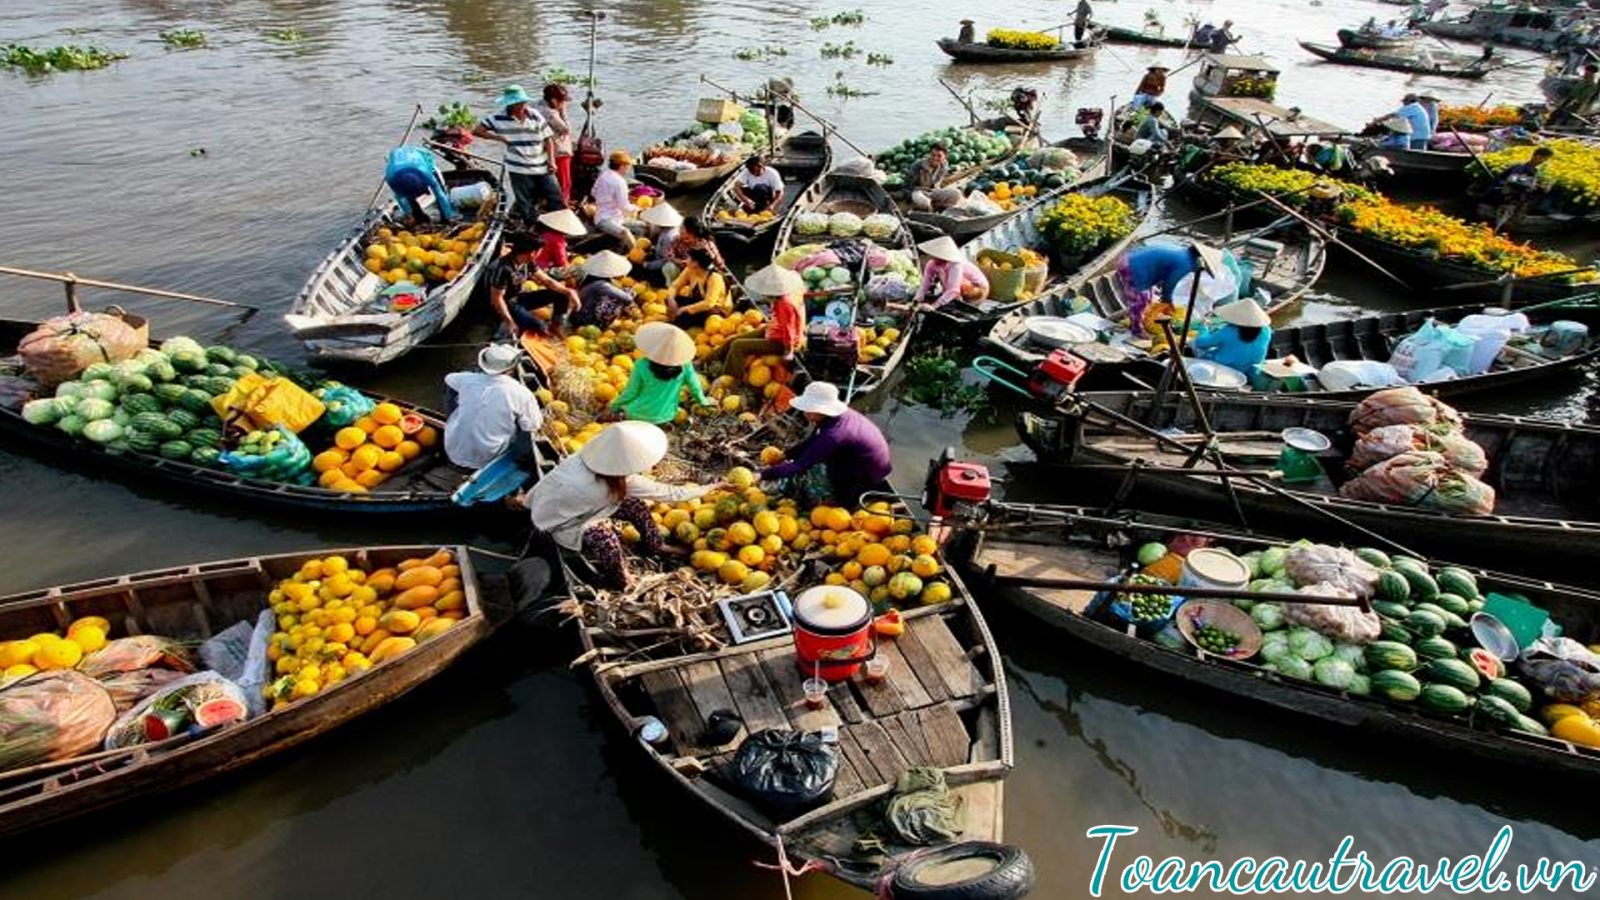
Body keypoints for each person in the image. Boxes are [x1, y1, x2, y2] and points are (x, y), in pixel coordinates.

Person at [520, 421, 724, 589]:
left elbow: (548, 482)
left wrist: (527, 501)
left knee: (634, 505)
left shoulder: (580, 458)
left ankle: (655, 544)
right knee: (606, 539)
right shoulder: (625, 482)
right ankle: (618, 579)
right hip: (562, 525)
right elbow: (672, 494)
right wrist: (714, 486)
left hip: (559, 510)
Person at [760, 381, 892, 507]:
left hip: (865, 475)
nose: (804, 413)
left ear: (821, 410)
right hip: (862, 462)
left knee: (810, 485)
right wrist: (786, 454)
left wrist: (762, 475)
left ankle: (839, 501)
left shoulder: (833, 435)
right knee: (810, 458)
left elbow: (799, 466)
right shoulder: (840, 416)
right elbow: (812, 442)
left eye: (808, 410)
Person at [443, 344, 542, 470]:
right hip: (488, 457)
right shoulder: (521, 393)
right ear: (511, 368)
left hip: (453, 448)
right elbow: (533, 426)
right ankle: (515, 461)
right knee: (524, 425)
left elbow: (449, 380)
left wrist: (451, 412)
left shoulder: (465, 379)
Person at [474, 84, 561, 221]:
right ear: (509, 104)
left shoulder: (535, 115)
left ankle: (559, 224)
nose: (521, 106)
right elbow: (477, 131)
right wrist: (499, 137)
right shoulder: (498, 118)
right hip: (519, 168)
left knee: (555, 196)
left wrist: (552, 161)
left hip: (541, 165)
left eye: (523, 102)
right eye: (517, 103)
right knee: (525, 202)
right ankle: (530, 226)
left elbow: (548, 139)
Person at [606, 323, 710, 425]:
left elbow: (630, 393)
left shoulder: (641, 364)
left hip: (637, 413)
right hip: (667, 415)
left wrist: (614, 406)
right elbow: (695, 387)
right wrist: (704, 402)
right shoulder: (685, 365)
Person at [486, 230, 582, 338]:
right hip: (507, 303)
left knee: (561, 294)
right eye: (540, 250)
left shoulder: (528, 262)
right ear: (533, 252)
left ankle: (555, 327)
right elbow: (496, 299)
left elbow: (547, 281)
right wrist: (509, 321)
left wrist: (568, 292)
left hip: (519, 298)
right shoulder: (504, 268)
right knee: (539, 327)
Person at [722, 264, 807, 380]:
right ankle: (705, 361)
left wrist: (789, 351)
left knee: (738, 346)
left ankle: (730, 381)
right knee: (733, 340)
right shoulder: (783, 297)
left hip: (781, 342)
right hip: (774, 330)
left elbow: (788, 329)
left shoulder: (784, 304)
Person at [1117, 241, 1225, 330]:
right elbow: (1170, 284)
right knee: (1140, 301)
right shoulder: (1185, 262)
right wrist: (1168, 301)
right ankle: (1136, 329)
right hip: (1132, 267)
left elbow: (1165, 269)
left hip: (1129, 257)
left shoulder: (1182, 251)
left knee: (1150, 294)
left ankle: (1140, 317)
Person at [1191, 298, 1274, 374]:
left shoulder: (1229, 330)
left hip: (1223, 368)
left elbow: (1201, 343)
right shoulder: (1267, 330)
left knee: (1195, 346)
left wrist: (1203, 327)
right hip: (1250, 371)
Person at [382, 146, 458, 228]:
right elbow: (400, 198)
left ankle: (446, 217)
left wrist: (449, 216)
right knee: (409, 199)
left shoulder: (426, 174)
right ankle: (420, 219)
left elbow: (440, 195)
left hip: (421, 157)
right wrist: (409, 215)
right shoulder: (391, 178)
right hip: (398, 161)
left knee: (441, 189)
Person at [913, 236, 988, 308]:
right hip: (957, 287)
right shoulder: (932, 264)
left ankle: (960, 302)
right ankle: (950, 299)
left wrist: (934, 306)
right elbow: (926, 282)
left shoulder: (955, 265)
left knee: (951, 289)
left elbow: (953, 290)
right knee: (942, 275)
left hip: (977, 290)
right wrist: (918, 297)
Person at [666, 247, 731, 326]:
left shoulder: (714, 278)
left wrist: (684, 309)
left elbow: (709, 303)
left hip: (715, 308)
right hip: (699, 300)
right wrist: (671, 299)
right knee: (669, 300)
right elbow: (675, 286)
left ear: (696, 263)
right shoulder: (690, 269)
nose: (686, 260)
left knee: (684, 317)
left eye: (688, 258)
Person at [571, 250, 636, 330]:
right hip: (587, 320)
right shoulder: (602, 285)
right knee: (629, 292)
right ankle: (605, 324)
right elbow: (628, 298)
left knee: (616, 295)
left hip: (579, 315)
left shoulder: (589, 278)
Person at [591, 150, 639, 252]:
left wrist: (606, 200)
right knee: (626, 232)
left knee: (639, 226)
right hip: (606, 220)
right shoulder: (620, 182)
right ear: (622, 166)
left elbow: (593, 192)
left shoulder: (604, 174)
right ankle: (637, 257)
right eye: (628, 166)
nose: (629, 169)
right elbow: (624, 207)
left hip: (602, 215)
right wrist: (638, 207)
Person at [535, 84, 575, 203]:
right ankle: (563, 205)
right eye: (562, 101)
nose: (564, 103)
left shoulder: (536, 107)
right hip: (558, 151)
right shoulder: (551, 113)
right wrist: (563, 111)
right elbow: (566, 129)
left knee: (547, 181)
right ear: (553, 100)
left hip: (541, 150)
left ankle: (549, 202)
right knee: (564, 182)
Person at [638, 202, 686, 285]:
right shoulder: (667, 230)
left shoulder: (668, 237)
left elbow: (666, 260)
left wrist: (647, 265)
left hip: (666, 266)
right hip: (660, 258)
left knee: (640, 272)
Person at [533, 208, 586, 272]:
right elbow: (561, 261)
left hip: (534, 263)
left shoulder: (544, 233)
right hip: (544, 268)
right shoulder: (559, 241)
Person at [906, 143, 950, 211]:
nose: (935, 158)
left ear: (945, 157)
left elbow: (938, 183)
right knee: (924, 202)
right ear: (929, 154)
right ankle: (931, 210)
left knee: (956, 194)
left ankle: (942, 207)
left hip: (933, 192)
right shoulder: (918, 165)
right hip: (918, 192)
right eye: (933, 155)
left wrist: (935, 191)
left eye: (939, 156)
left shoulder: (944, 167)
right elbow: (910, 186)